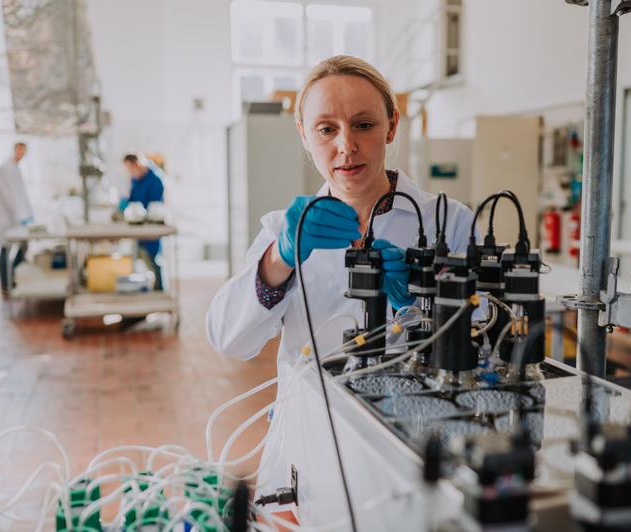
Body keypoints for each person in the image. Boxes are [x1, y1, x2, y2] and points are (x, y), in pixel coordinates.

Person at [206, 56, 478, 514]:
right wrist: (280, 258)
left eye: (364, 124)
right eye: (326, 129)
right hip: (309, 449)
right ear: (304, 134)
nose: (346, 146)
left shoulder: (448, 220)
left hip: (414, 443)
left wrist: (419, 301)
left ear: (391, 126)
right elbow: (228, 338)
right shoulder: (281, 228)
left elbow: (488, 335)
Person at [0, 142, 32, 296]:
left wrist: (26, 215)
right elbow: (8, 197)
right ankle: (6, 284)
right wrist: (20, 216)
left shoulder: (15, 168)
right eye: (20, 151)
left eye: (24, 152)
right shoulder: (4, 169)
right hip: (5, 219)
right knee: (5, 250)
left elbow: (20, 195)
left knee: (23, 246)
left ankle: (12, 278)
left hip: (15, 218)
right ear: (15, 150)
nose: (22, 154)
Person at [122, 153, 165, 290]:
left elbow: (154, 207)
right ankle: (145, 286)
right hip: (138, 228)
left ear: (137, 164)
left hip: (152, 227)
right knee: (141, 259)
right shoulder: (136, 179)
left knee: (153, 259)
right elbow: (132, 200)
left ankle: (160, 288)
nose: (130, 172)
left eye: (130, 168)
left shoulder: (155, 180)